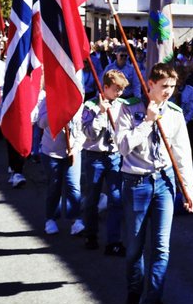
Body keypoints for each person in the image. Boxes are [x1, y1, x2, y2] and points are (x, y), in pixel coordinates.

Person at [116, 61, 193, 304]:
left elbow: (182, 153)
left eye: (172, 87)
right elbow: (124, 147)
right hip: (135, 182)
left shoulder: (173, 113)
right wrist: (148, 122)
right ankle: (134, 295)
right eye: (163, 87)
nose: (168, 92)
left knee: (161, 248)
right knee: (134, 250)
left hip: (164, 181)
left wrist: (188, 188)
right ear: (150, 84)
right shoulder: (129, 109)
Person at [81, 69, 129, 252]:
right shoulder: (91, 106)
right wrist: (101, 113)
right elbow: (89, 133)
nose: (119, 93)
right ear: (106, 87)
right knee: (92, 198)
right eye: (116, 89)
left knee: (116, 199)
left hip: (115, 156)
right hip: (95, 157)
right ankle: (90, 234)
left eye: (121, 90)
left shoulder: (123, 105)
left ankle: (113, 241)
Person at [38, 96, 86, 237]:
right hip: (51, 152)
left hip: (72, 152)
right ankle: (51, 218)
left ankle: (75, 219)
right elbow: (41, 123)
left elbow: (82, 130)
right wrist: (56, 112)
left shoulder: (79, 102)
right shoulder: (48, 100)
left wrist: (75, 149)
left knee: (73, 186)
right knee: (54, 186)